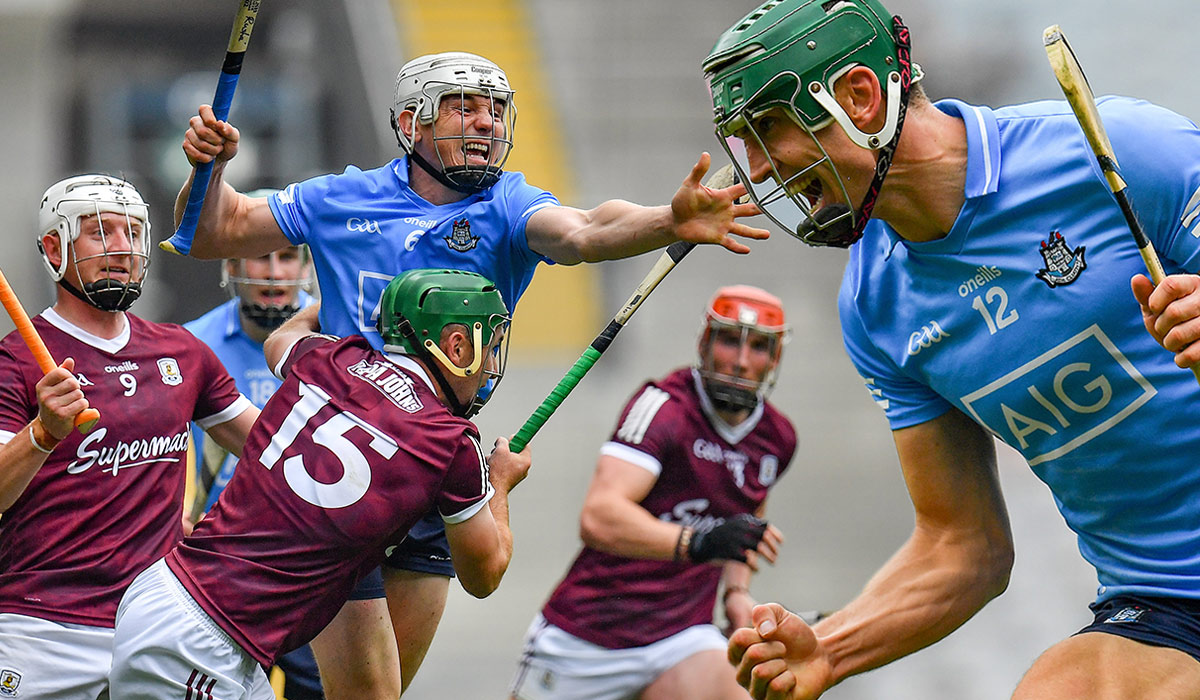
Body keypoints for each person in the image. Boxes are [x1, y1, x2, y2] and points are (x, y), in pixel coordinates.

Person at [175, 50, 769, 696]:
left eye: (494, 110)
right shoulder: (344, 197)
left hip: (434, 467)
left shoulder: (507, 204)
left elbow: (585, 231)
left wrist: (667, 222)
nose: (486, 123)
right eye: (464, 107)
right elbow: (216, 230)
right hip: (346, 475)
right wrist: (211, 167)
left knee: (375, 694)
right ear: (411, 122)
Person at [702, 1, 1200, 699]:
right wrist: (833, 649)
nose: (755, 171)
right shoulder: (874, 307)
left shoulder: (1122, 148)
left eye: (767, 131)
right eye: (741, 144)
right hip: (1167, 606)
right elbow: (962, 546)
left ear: (858, 96)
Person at [109, 268, 530, 700]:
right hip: (198, 642)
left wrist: (333, 294)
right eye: (490, 348)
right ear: (456, 346)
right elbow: (485, 575)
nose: (490, 369)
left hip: (182, 609)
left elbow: (279, 341)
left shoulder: (331, 357)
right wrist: (499, 483)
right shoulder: (452, 443)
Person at [0, 174, 257, 699]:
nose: (122, 248)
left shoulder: (182, 353)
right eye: (100, 232)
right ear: (54, 248)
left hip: (161, 623)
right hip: (42, 628)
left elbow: (274, 449)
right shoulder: (15, 361)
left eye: (133, 233)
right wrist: (43, 434)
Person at [509, 285, 796, 700]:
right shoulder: (662, 407)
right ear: (704, 342)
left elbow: (744, 523)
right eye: (730, 341)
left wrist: (736, 592)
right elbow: (599, 516)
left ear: (775, 359)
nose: (740, 362)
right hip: (591, 636)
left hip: (682, 639)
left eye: (759, 347)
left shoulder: (777, 437)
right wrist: (698, 543)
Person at [183, 231, 326, 700]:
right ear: (228, 268)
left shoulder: (342, 340)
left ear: (307, 268)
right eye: (261, 258)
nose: (275, 272)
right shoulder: (190, 346)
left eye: (288, 257)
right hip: (218, 560)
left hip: (313, 558)